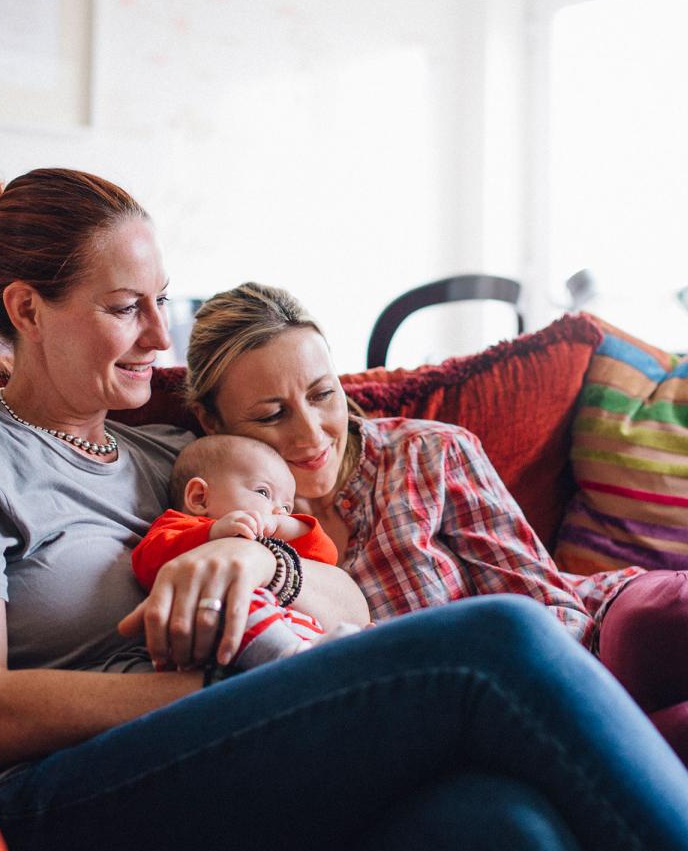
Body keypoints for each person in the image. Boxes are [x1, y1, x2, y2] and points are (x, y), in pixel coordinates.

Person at [0, 167, 688, 851]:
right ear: (26, 308)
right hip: (56, 804)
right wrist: (220, 695)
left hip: (229, 767)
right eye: (127, 308)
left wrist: (265, 565)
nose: (161, 335)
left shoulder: (175, 456)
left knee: (505, 832)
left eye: (161, 302)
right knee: (498, 641)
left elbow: (351, 601)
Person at [178, 282, 688, 767]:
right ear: (212, 422)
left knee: (655, 626)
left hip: (588, 639)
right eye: (271, 415)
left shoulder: (428, 453)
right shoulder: (219, 515)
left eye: (322, 395)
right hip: (474, 727)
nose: (312, 435)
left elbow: (552, 610)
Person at [132, 433, 365, 671]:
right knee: (236, 601)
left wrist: (290, 525)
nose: (279, 511)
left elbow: (326, 556)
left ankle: (330, 651)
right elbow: (147, 563)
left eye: (287, 507)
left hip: (294, 634)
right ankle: (295, 656)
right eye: (263, 493)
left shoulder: (271, 538)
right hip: (211, 636)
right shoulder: (178, 526)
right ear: (199, 498)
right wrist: (212, 534)